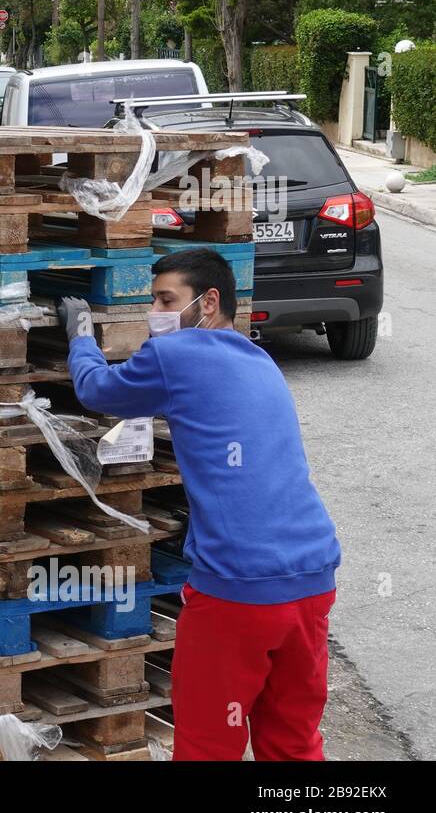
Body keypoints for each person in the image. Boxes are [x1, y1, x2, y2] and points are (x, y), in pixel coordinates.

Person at [57, 247, 341, 761]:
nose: (156, 314)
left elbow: (98, 390)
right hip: (312, 579)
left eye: (167, 300)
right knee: (293, 741)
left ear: (208, 302)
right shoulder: (260, 359)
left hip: (237, 592)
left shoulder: (177, 355)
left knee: (208, 744)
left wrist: (81, 337)